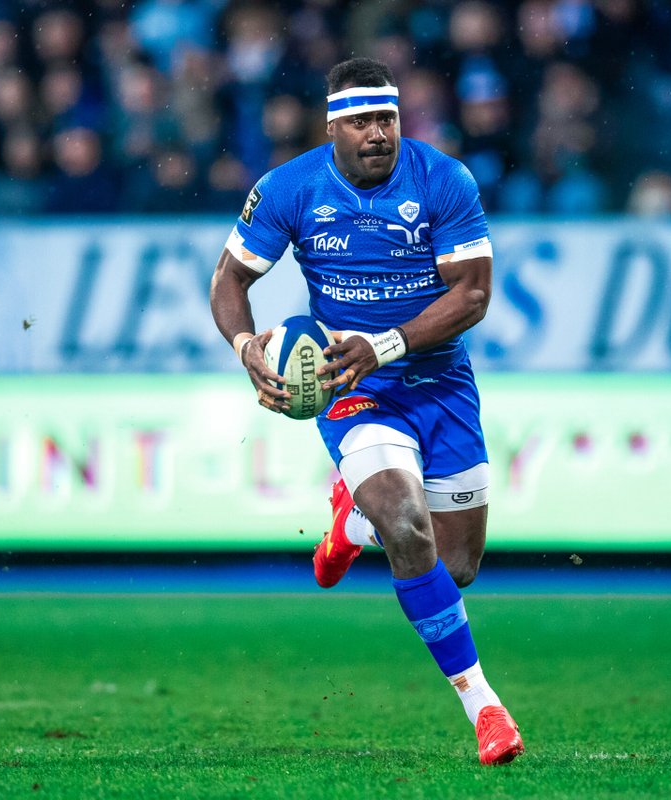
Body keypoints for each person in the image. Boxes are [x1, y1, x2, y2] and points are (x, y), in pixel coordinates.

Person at [209, 57, 524, 766]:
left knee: (457, 564)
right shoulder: (291, 188)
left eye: (387, 118)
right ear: (333, 127)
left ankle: (351, 517)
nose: (378, 133)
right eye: (361, 122)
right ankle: (485, 707)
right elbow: (230, 278)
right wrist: (243, 345)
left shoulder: (444, 180)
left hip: (438, 382)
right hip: (354, 385)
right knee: (407, 527)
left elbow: (473, 294)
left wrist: (386, 343)